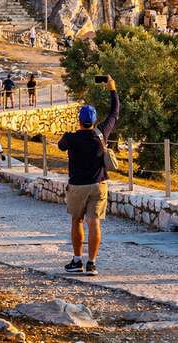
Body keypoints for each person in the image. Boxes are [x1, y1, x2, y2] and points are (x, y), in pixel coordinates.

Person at [57, 76, 121, 276]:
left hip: (77, 186)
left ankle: (77, 261)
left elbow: (60, 146)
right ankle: (92, 263)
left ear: (79, 120)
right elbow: (115, 112)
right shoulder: (101, 134)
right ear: (94, 121)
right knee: (95, 222)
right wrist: (112, 89)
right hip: (98, 184)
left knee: (77, 221)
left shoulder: (70, 138)